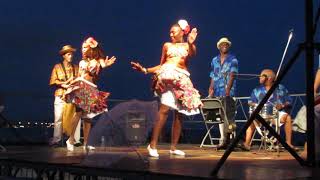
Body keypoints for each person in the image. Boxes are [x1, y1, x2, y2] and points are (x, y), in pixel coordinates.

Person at [131, 19, 202, 157]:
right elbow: (161, 65)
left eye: (173, 31)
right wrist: (145, 70)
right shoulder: (167, 45)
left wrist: (191, 43)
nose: (170, 34)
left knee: (180, 114)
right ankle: (152, 145)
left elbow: (193, 54)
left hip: (182, 78)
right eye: (169, 32)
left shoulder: (187, 46)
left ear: (181, 32)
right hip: (168, 78)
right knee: (164, 110)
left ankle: (174, 147)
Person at [64, 37, 116, 151]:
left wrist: (106, 64)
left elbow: (103, 65)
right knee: (78, 112)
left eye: (85, 47)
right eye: (82, 47)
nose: (82, 49)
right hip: (82, 86)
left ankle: (86, 142)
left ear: (92, 48)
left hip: (91, 88)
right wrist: (71, 86)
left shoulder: (98, 60)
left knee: (88, 117)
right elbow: (79, 76)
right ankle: (70, 139)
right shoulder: (82, 62)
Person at [243, 69, 296, 150]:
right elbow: (250, 102)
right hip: (261, 113)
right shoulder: (256, 90)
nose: (259, 78)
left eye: (262, 76)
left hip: (276, 114)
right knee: (251, 119)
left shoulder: (280, 88)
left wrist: (282, 105)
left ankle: (288, 143)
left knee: (288, 118)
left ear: (269, 78)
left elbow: (289, 101)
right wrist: (257, 105)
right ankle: (246, 144)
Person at [208, 37, 238, 149]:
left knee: (229, 116)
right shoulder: (214, 60)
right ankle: (223, 139)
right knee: (220, 116)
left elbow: (233, 74)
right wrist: (211, 87)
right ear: (219, 47)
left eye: (226, 44)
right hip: (217, 91)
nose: (224, 45)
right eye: (222, 44)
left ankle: (230, 140)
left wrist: (228, 90)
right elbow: (213, 75)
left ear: (228, 47)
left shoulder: (233, 59)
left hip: (228, 92)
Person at [49, 45, 81, 146]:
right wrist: (63, 84)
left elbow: (80, 80)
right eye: (68, 54)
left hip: (72, 95)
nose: (71, 56)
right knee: (58, 117)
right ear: (64, 55)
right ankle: (57, 140)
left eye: (72, 54)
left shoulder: (76, 67)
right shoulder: (57, 67)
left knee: (75, 117)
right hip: (60, 94)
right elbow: (53, 81)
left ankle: (75, 139)